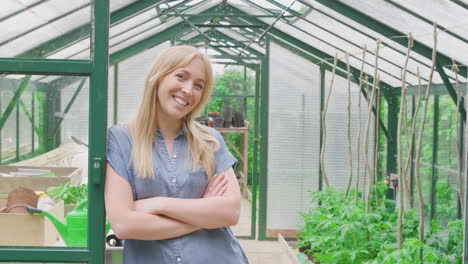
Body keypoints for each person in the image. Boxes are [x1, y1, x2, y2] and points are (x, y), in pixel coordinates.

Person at [105, 45, 249, 264]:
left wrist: (160, 204)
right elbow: (124, 224)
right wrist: (205, 216)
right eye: (181, 76)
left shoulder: (211, 141)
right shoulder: (121, 139)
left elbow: (230, 212)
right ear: (158, 77)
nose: (188, 90)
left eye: (199, 85)